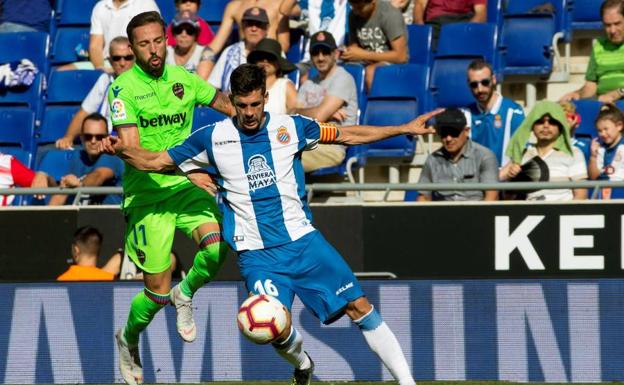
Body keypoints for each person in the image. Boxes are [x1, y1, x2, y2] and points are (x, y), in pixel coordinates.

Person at [101, 63, 442, 385]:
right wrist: (119, 150)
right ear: (231, 101)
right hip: (257, 255)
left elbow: (347, 135)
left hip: (304, 243)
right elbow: (156, 160)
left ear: (265, 97)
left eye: (254, 103)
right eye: (241, 105)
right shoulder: (212, 138)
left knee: (360, 307)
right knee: (271, 327)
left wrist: (402, 128)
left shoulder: (290, 127)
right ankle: (303, 363)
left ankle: (407, 381)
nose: (248, 113)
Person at [107, 11, 235, 385]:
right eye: (143, 44)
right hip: (147, 198)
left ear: (166, 39)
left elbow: (227, 105)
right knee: (156, 294)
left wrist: (263, 124)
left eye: (158, 41)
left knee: (215, 249)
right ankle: (128, 339)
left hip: (185, 191)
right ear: (132, 49)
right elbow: (133, 155)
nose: (154, 50)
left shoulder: (185, 79)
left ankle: (187, 292)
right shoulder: (123, 90)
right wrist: (188, 170)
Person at [56, 36, 135, 149]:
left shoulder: (144, 84)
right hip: (102, 141)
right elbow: (85, 112)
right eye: (117, 58)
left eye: (128, 57)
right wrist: (68, 137)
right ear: (110, 60)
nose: (122, 63)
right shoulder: (106, 79)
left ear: (135, 59)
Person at [500, 100, 588, 201]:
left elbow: (581, 196)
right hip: (530, 213)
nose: (546, 125)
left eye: (552, 122)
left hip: (562, 212)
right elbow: (507, 197)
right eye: (540, 121)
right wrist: (512, 177)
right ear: (532, 125)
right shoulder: (522, 154)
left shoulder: (573, 153)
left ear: (560, 126)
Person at [296, 31, 358, 172]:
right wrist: (323, 112)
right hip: (308, 143)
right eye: (315, 53)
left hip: (331, 147)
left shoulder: (343, 78)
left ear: (335, 54)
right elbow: (292, 115)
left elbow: (317, 116)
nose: (320, 58)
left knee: (283, 155)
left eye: (325, 52)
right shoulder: (308, 84)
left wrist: (318, 114)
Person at [418, 108, 499, 201]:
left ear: (466, 131)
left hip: (476, 213)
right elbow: (423, 197)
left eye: (453, 132)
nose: (448, 138)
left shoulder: (485, 156)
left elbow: (491, 197)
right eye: (444, 133)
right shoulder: (432, 159)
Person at [61, 0, 160, 72]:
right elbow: (95, 46)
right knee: (63, 71)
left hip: (135, 63)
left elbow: (153, 41)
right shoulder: (100, 6)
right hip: (108, 63)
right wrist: (101, 68)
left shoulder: (146, 4)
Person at [49, 113, 125, 206]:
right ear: (81, 137)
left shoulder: (111, 155)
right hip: (80, 217)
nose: (93, 141)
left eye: (99, 137)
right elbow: (63, 190)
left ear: (107, 138)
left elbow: (99, 176)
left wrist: (80, 185)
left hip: (109, 217)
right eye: (88, 137)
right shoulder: (77, 157)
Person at [464, 59, 525, 166]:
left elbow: (522, 151)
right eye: (474, 84)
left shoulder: (513, 111)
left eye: (485, 82)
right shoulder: (465, 114)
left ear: (494, 80)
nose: (480, 89)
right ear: (468, 85)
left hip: (505, 179)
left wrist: (501, 175)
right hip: (476, 179)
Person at [560, 0, 624, 103]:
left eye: (617, 24)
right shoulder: (599, 46)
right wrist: (576, 94)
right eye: (608, 25)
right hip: (604, 106)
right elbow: (590, 87)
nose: (612, 30)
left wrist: (619, 92)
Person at [344, 0, 409, 90]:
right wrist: (347, 53)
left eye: (360, 8)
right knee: (340, 70)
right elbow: (354, 47)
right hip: (366, 60)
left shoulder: (389, 15)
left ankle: (374, 103)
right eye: (353, 7)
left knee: (372, 71)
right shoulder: (353, 15)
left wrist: (363, 54)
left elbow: (401, 57)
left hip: (392, 62)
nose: (356, 11)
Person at [201, 6, 269, 87]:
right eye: (249, 24)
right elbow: (213, 86)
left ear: (266, 28)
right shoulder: (229, 52)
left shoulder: (274, 53)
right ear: (243, 26)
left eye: (259, 24)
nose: (254, 29)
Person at [203, 0, 289, 62]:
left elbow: (284, 44)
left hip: (268, 60)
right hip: (241, 60)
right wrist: (204, 59)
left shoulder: (281, 5)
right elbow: (216, 44)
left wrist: (266, 59)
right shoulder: (234, 6)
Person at [248, 38, 299, 114]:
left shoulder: (285, 86)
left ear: (279, 64)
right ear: (255, 61)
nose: (265, 61)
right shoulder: (248, 86)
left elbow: (298, 117)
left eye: (270, 57)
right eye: (260, 57)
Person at [413, 0, 486, 48]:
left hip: (463, 22)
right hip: (437, 22)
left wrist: (467, 30)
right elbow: (420, 4)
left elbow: (481, 14)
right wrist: (420, 27)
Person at [588, 104, 624, 199]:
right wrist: (593, 157)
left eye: (606, 129)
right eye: (599, 131)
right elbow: (593, 177)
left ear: (619, 126)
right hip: (602, 193)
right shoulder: (600, 148)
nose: (602, 134)